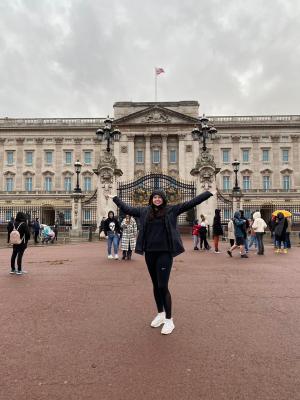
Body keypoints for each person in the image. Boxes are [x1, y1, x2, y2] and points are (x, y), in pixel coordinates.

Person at [109, 188, 215, 335]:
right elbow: (127, 208)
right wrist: (115, 198)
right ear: (151, 199)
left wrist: (208, 193)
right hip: (150, 253)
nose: (157, 199)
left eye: (160, 197)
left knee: (163, 286)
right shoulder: (144, 211)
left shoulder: (171, 210)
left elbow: (191, 203)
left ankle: (169, 319)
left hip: (165, 253)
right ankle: (160, 314)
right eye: (155, 197)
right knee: (155, 285)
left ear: (164, 199)